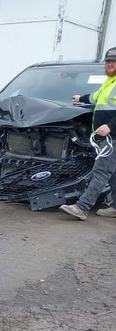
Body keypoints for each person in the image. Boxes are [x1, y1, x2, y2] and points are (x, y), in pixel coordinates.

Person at [59, 47, 116, 220]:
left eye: (114, 62)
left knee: (101, 171)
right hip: (108, 137)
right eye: (108, 62)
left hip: (112, 137)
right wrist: (80, 98)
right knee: (113, 173)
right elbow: (96, 97)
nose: (110, 65)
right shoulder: (110, 82)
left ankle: (82, 207)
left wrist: (110, 126)